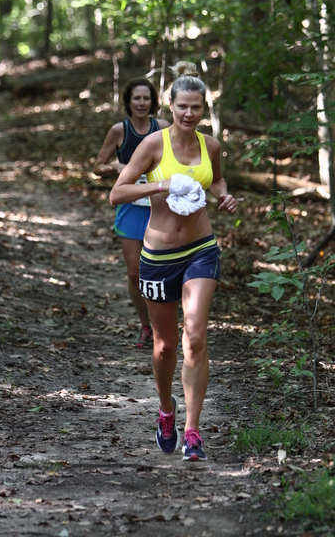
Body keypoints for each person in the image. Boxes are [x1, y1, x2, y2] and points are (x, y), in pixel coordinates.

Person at [109, 61, 237, 462]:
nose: (189, 114)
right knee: (164, 346)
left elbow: (217, 179)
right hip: (159, 255)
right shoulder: (153, 145)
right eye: (183, 106)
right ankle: (166, 410)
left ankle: (193, 431)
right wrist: (160, 184)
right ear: (171, 105)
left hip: (201, 248)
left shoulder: (210, 146)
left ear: (203, 109)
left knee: (195, 336)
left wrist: (223, 195)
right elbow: (117, 193)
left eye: (196, 107)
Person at [93, 78, 170, 348]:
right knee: (135, 273)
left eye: (146, 98)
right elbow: (97, 166)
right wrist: (116, 168)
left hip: (159, 204)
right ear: (128, 102)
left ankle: (164, 326)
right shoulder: (119, 130)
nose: (141, 103)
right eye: (136, 98)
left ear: (153, 102)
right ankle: (146, 326)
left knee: (160, 269)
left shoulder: (163, 128)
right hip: (130, 207)